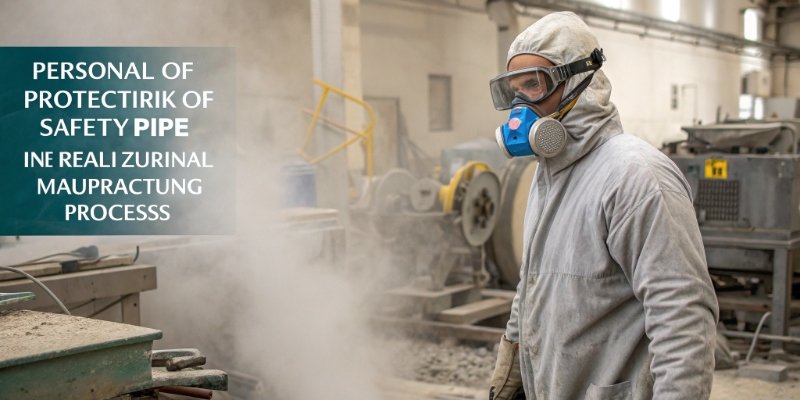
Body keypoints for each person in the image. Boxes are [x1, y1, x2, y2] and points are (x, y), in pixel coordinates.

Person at [487, 12, 719, 400]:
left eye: (533, 85)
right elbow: (531, 285)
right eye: (512, 90)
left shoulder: (636, 176)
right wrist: (510, 368)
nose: (519, 105)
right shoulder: (548, 176)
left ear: (579, 81)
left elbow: (683, 318)